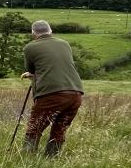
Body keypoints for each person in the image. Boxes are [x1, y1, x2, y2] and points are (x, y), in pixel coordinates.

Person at [21, 20, 84, 158]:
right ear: (50, 31)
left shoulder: (30, 47)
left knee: (35, 127)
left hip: (52, 94)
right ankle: (51, 159)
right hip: (76, 93)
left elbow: (31, 69)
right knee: (59, 129)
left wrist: (33, 75)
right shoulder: (64, 44)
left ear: (33, 33)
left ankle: (26, 158)